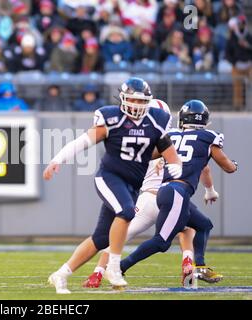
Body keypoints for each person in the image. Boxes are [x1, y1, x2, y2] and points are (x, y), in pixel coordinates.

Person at [43, 77, 183, 293]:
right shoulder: (112, 118)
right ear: (124, 99)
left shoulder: (156, 121)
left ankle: (61, 274)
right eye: (133, 101)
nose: (137, 106)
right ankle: (114, 267)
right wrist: (57, 160)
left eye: (141, 101)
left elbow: (171, 154)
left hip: (132, 185)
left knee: (100, 238)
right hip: (109, 177)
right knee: (126, 211)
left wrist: (176, 167)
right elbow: (82, 141)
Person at [82, 99, 222, 289]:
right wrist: (209, 191)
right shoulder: (171, 139)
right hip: (173, 195)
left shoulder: (141, 143)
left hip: (149, 198)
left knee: (119, 235)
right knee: (188, 227)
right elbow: (204, 168)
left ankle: (97, 273)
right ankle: (188, 263)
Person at [119, 100, 238, 280]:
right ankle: (120, 267)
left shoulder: (171, 136)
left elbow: (147, 156)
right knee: (161, 242)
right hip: (177, 192)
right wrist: (235, 165)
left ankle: (200, 267)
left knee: (204, 225)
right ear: (204, 120)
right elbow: (228, 167)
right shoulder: (209, 137)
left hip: (168, 191)